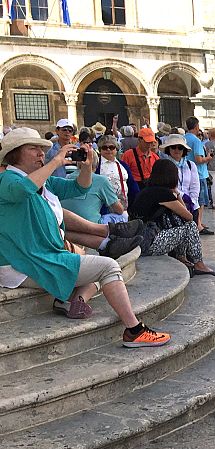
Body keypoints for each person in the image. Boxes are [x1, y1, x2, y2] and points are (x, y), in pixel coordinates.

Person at [0, 128, 170, 345]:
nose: (41, 153)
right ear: (14, 153)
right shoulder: (6, 179)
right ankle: (134, 330)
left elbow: (78, 187)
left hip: (39, 257)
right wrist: (55, 162)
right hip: (24, 264)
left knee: (105, 264)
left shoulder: (41, 181)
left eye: (42, 149)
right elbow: (21, 190)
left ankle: (71, 301)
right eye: (33, 148)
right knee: (108, 266)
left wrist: (87, 167)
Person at [130, 159, 215, 277]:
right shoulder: (163, 194)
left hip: (139, 241)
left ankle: (182, 258)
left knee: (176, 221)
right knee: (190, 226)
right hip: (148, 244)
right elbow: (188, 216)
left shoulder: (147, 190)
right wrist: (176, 193)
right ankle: (199, 263)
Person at [160, 134, 200, 223]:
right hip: (173, 207)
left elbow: (195, 186)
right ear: (168, 149)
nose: (176, 150)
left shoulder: (191, 165)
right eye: (173, 147)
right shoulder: (164, 166)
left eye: (180, 148)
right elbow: (168, 187)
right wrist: (183, 198)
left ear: (184, 150)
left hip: (192, 207)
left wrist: (191, 202)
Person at [94, 134, 139, 213]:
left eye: (111, 147)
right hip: (103, 209)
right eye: (105, 147)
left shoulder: (123, 165)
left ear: (116, 149)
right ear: (100, 149)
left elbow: (132, 184)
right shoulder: (95, 165)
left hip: (124, 208)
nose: (108, 150)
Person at [185, 117, 214, 235]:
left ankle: (196, 222)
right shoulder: (196, 141)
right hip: (199, 174)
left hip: (187, 172)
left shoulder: (184, 138)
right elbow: (198, 159)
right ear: (196, 126)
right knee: (200, 200)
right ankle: (198, 224)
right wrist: (208, 158)